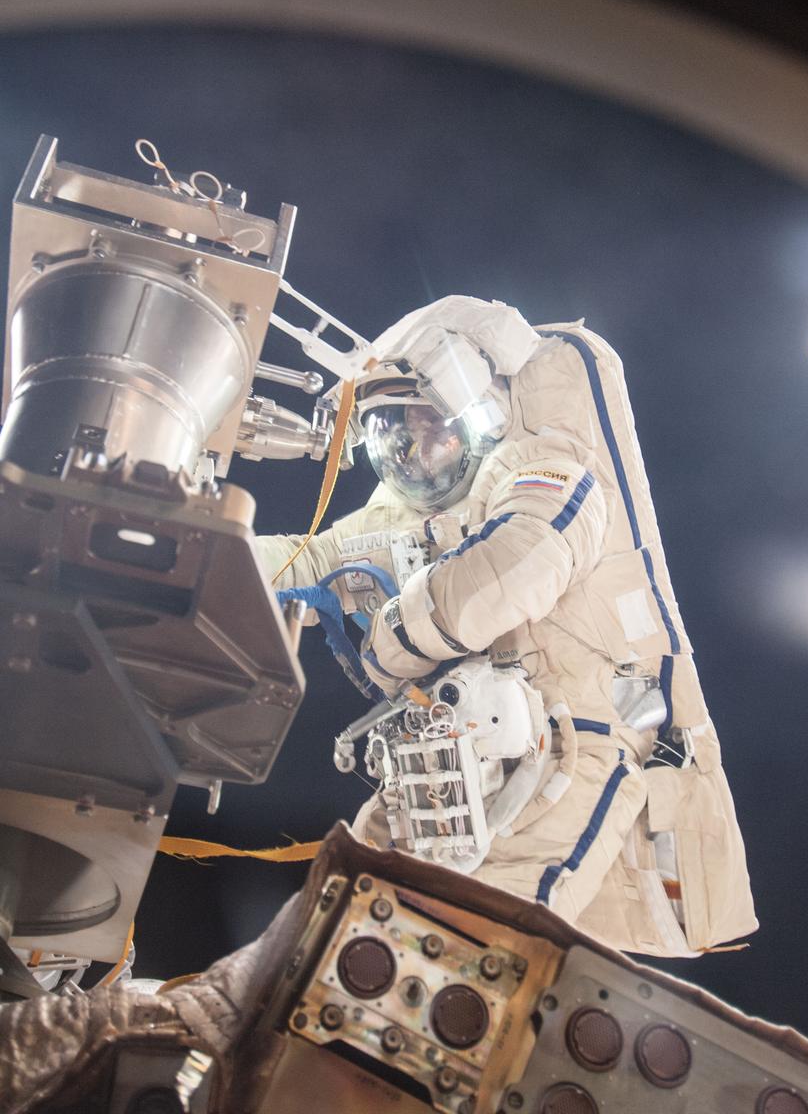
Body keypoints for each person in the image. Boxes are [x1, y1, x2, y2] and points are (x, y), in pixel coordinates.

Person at [256, 296, 757, 957]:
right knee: (345, 930)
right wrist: (197, 549)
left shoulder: (548, 467)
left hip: (567, 753)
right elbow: (307, 563)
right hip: (454, 764)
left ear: (478, 413)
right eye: (394, 434)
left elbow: (522, 560)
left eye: (430, 427)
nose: (413, 453)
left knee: (469, 952)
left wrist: (393, 640)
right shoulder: (403, 517)